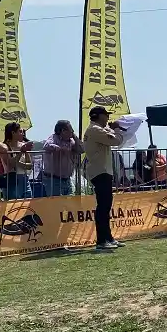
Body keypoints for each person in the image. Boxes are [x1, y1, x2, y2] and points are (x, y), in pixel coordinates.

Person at [83, 105, 125, 251]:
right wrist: (118, 130)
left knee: (106, 207)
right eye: (106, 115)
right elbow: (115, 141)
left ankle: (108, 238)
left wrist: (112, 129)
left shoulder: (97, 129)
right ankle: (101, 240)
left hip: (102, 171)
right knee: (103, 207)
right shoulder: (95, 129)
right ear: (99, 116)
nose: (108, 118)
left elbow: (109, 136)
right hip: (99, 172)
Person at [41, 120, 79, 196]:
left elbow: (82, 149)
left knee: (69, 204)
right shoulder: (53, 137)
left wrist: (75, 138)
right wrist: (58, 148)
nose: (73, 131)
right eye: (70, 129)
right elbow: (47, 145)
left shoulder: (72, 141)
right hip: (54, 179)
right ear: (63, 131)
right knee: (56, 204)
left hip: (67, 179)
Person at [0, 122, 34, 199]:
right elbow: (10, 165)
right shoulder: (4, 147)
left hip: (25, 179)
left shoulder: (23, 145)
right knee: (12, 207)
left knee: (28, 205)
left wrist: (18, 163)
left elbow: (30, 166)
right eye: (20, 131)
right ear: (13, 133)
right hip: (12, 180)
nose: (23, 134)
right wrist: (21, 152)